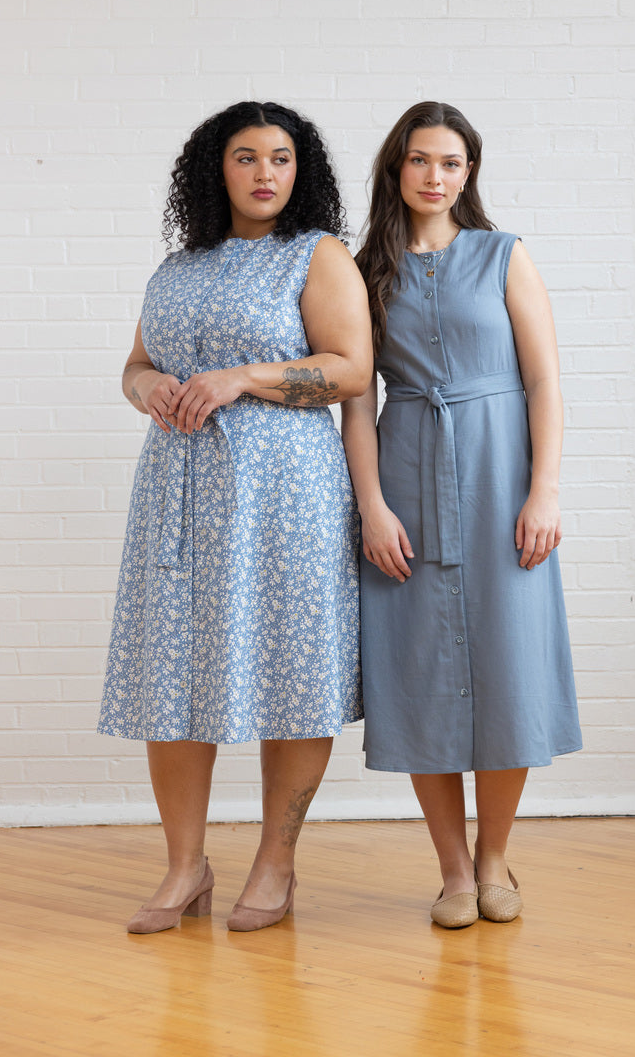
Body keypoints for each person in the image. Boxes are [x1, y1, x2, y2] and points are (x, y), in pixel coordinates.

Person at [98, 101, 372, 934]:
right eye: (247, 157)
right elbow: (137, 365)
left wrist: (241, 378)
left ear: (301, 171)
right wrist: (149, 389)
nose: (264, 173)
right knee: (172, 678)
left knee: (290, 670)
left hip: (284, 496)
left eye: (281, 158)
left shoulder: (316, 256)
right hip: (178, 495)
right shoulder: (179, 267)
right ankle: (186, 867)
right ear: (215, 170)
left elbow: (352, 369)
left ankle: (275, 863)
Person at [342, 102, 581, 929]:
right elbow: (355, 399)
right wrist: (371, 506)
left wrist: (543, 490)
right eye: (418, 161)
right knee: (419, 675)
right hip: (406, 469)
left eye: (449, 163)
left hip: (499, 472)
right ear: (395, 169)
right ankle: (449, 870)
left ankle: (493, 859)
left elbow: (545, 379)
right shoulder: (363, 267)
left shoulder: (503, 256)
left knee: (509, 666)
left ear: (468, 172)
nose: (434, 177)